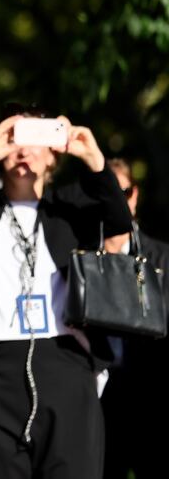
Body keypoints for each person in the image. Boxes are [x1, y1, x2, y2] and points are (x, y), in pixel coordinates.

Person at [0, 106, 132, 479]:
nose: (25, 151)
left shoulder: (68, 207)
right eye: (16, 139)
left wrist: (93, 159)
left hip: (65, 361)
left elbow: (118, 219)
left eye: (37, 140)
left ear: (53, 154)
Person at [101, 157, 169, 479]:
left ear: (135, 194)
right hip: (97, 403)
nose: (114, 203)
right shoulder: (78, 258)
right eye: (105, 194)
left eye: (122, 193)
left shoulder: (162, 258)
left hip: (151, 401)